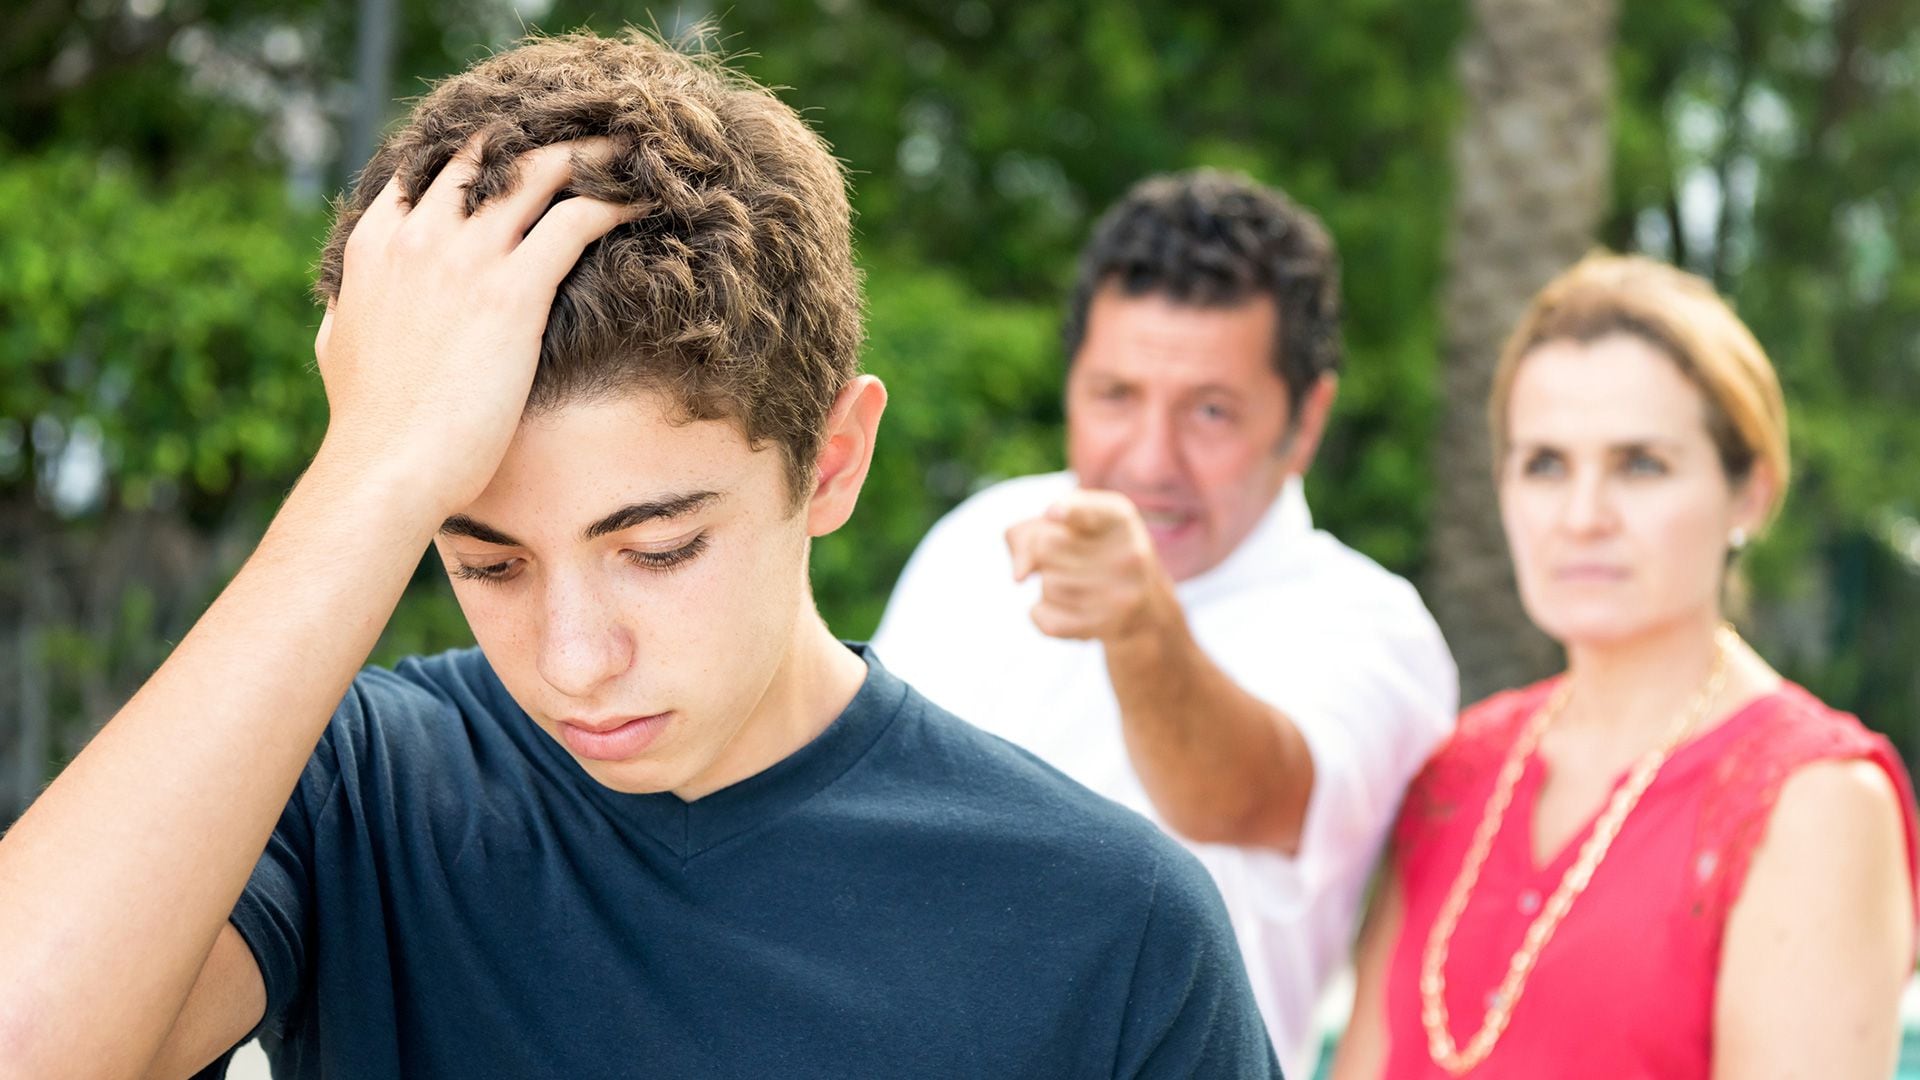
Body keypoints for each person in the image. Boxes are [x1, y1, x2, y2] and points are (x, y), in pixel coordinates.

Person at [0, 31, 1284, 1079]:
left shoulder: (1113, 933)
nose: (574, 663)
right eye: (486, 561)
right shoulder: (364, 796)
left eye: (659, 549)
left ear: (832, 461)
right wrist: (372, 474)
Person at [874, 168, 1460, 1078]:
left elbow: (1236, 796)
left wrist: (1141, 624)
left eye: (1211, 412)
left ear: (1306, 422)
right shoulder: (971, 544)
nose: (1150, 460)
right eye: (1115, 395)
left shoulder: (1375, 629)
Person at [1333, 253, 1920, 1078]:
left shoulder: (1815, 800)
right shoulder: (1456, 771)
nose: (1581, 517)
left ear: (1750, 492)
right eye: (1545, 464)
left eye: (1640, 464)